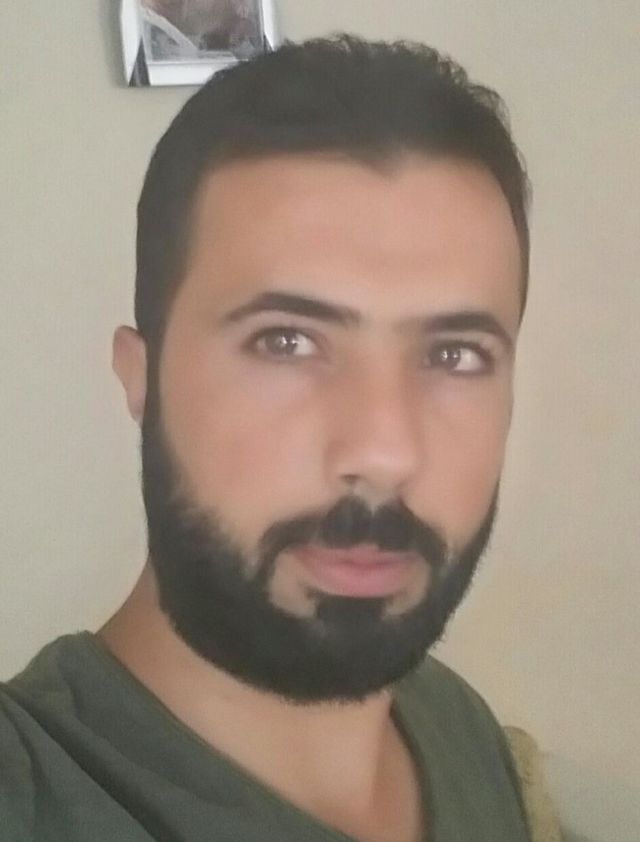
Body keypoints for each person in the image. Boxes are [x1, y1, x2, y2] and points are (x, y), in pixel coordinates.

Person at [1, 34, 536, 841]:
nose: (385, 452)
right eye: (285, 342)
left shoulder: (457, 726)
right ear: (142, 377)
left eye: (455, 355)